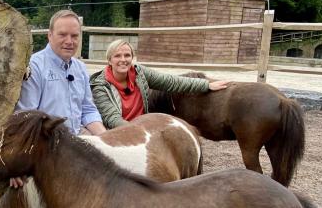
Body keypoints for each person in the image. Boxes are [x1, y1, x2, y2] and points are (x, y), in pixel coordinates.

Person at [13, 10, 106, 187]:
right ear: (50, 35)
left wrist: (107, 139)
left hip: (76, 142)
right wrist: (19, 159)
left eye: (74, 36)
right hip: (46, 147)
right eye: (62, 35)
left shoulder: (79, 68)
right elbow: (26, 117)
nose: (69, 41)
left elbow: (88, 110)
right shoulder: (35, 67)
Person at [90, 39, 230, 129]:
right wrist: (138, 132)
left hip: (142, 127)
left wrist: (206, 85)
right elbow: (112, 119)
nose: (123, 59)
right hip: (120, 132)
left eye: (127, 55)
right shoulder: (100, 86)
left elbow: (171, 82)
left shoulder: (139, 73)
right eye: (117, 56)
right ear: (109, 60)